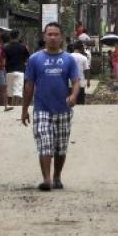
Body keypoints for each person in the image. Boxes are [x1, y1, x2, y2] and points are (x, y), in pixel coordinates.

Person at [21, 22, 81, 191]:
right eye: (50, 34)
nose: (53, 37)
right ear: (44, 36)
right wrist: (25, 109)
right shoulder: (35, 59)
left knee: (60, 147)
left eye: (56, 34)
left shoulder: (69, 59)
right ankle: (46, 179)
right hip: (42, 109)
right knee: (45, 143)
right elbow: (29, 85)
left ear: (61, 37)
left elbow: (76, 81)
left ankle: (57, 176)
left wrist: (74, 95)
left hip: (63, 110)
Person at [3, 30, 30, 108]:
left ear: (10, 36)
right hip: (20, 70)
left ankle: (10, 105)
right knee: (18, 91)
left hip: (9, 70)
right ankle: (17, 107)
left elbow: (4, 59)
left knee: (10, 91)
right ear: (18, 36)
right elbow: (28, 59)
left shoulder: (5, 47)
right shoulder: (23, 47)